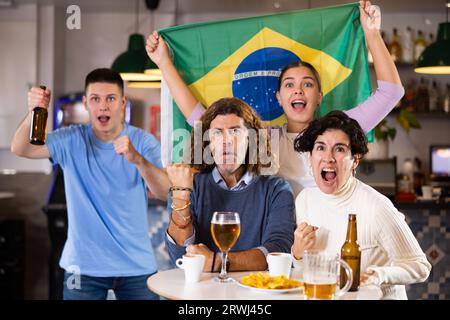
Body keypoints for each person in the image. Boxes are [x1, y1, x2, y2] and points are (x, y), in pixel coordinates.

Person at [146, 1, 405, 197]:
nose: (299, 91)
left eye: (308, 84)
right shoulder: (265, 139)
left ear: (319, 96)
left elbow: (391, 92)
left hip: (329, 244)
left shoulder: (339, 132)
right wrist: (164, 63)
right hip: (276, 246)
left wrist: (371, 33)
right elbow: (201, 119)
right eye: (289, 85)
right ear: (279, 98)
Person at [11, 68, 170, 300]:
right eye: (95, 99)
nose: (103, 106)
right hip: (83, 268)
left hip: (137, 266)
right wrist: (35, 111)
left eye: (111, 99)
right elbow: (21, 148)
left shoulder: (143, 142)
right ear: (86, 103)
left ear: (122, 102)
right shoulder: (71, 139)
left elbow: (166, 192)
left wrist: (138, 160)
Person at [291, 111, 431, 300]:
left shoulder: (376, 207)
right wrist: (298, 254)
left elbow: (421, 267)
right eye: (320, 147)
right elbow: (307, 272)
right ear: (311, 156)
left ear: (355, 160)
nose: (328, 157)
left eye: (339, 149)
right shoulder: (305, 200)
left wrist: (379, 275)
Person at [165, 97, 296, 272]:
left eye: (235, 132)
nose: (227, 141)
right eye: (217, 133)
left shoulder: (276, 189)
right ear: (207, 143)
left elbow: (278, 251)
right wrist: (181, 196)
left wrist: (218, 262)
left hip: (256, 291)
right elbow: (180, 255)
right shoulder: (188, 185)